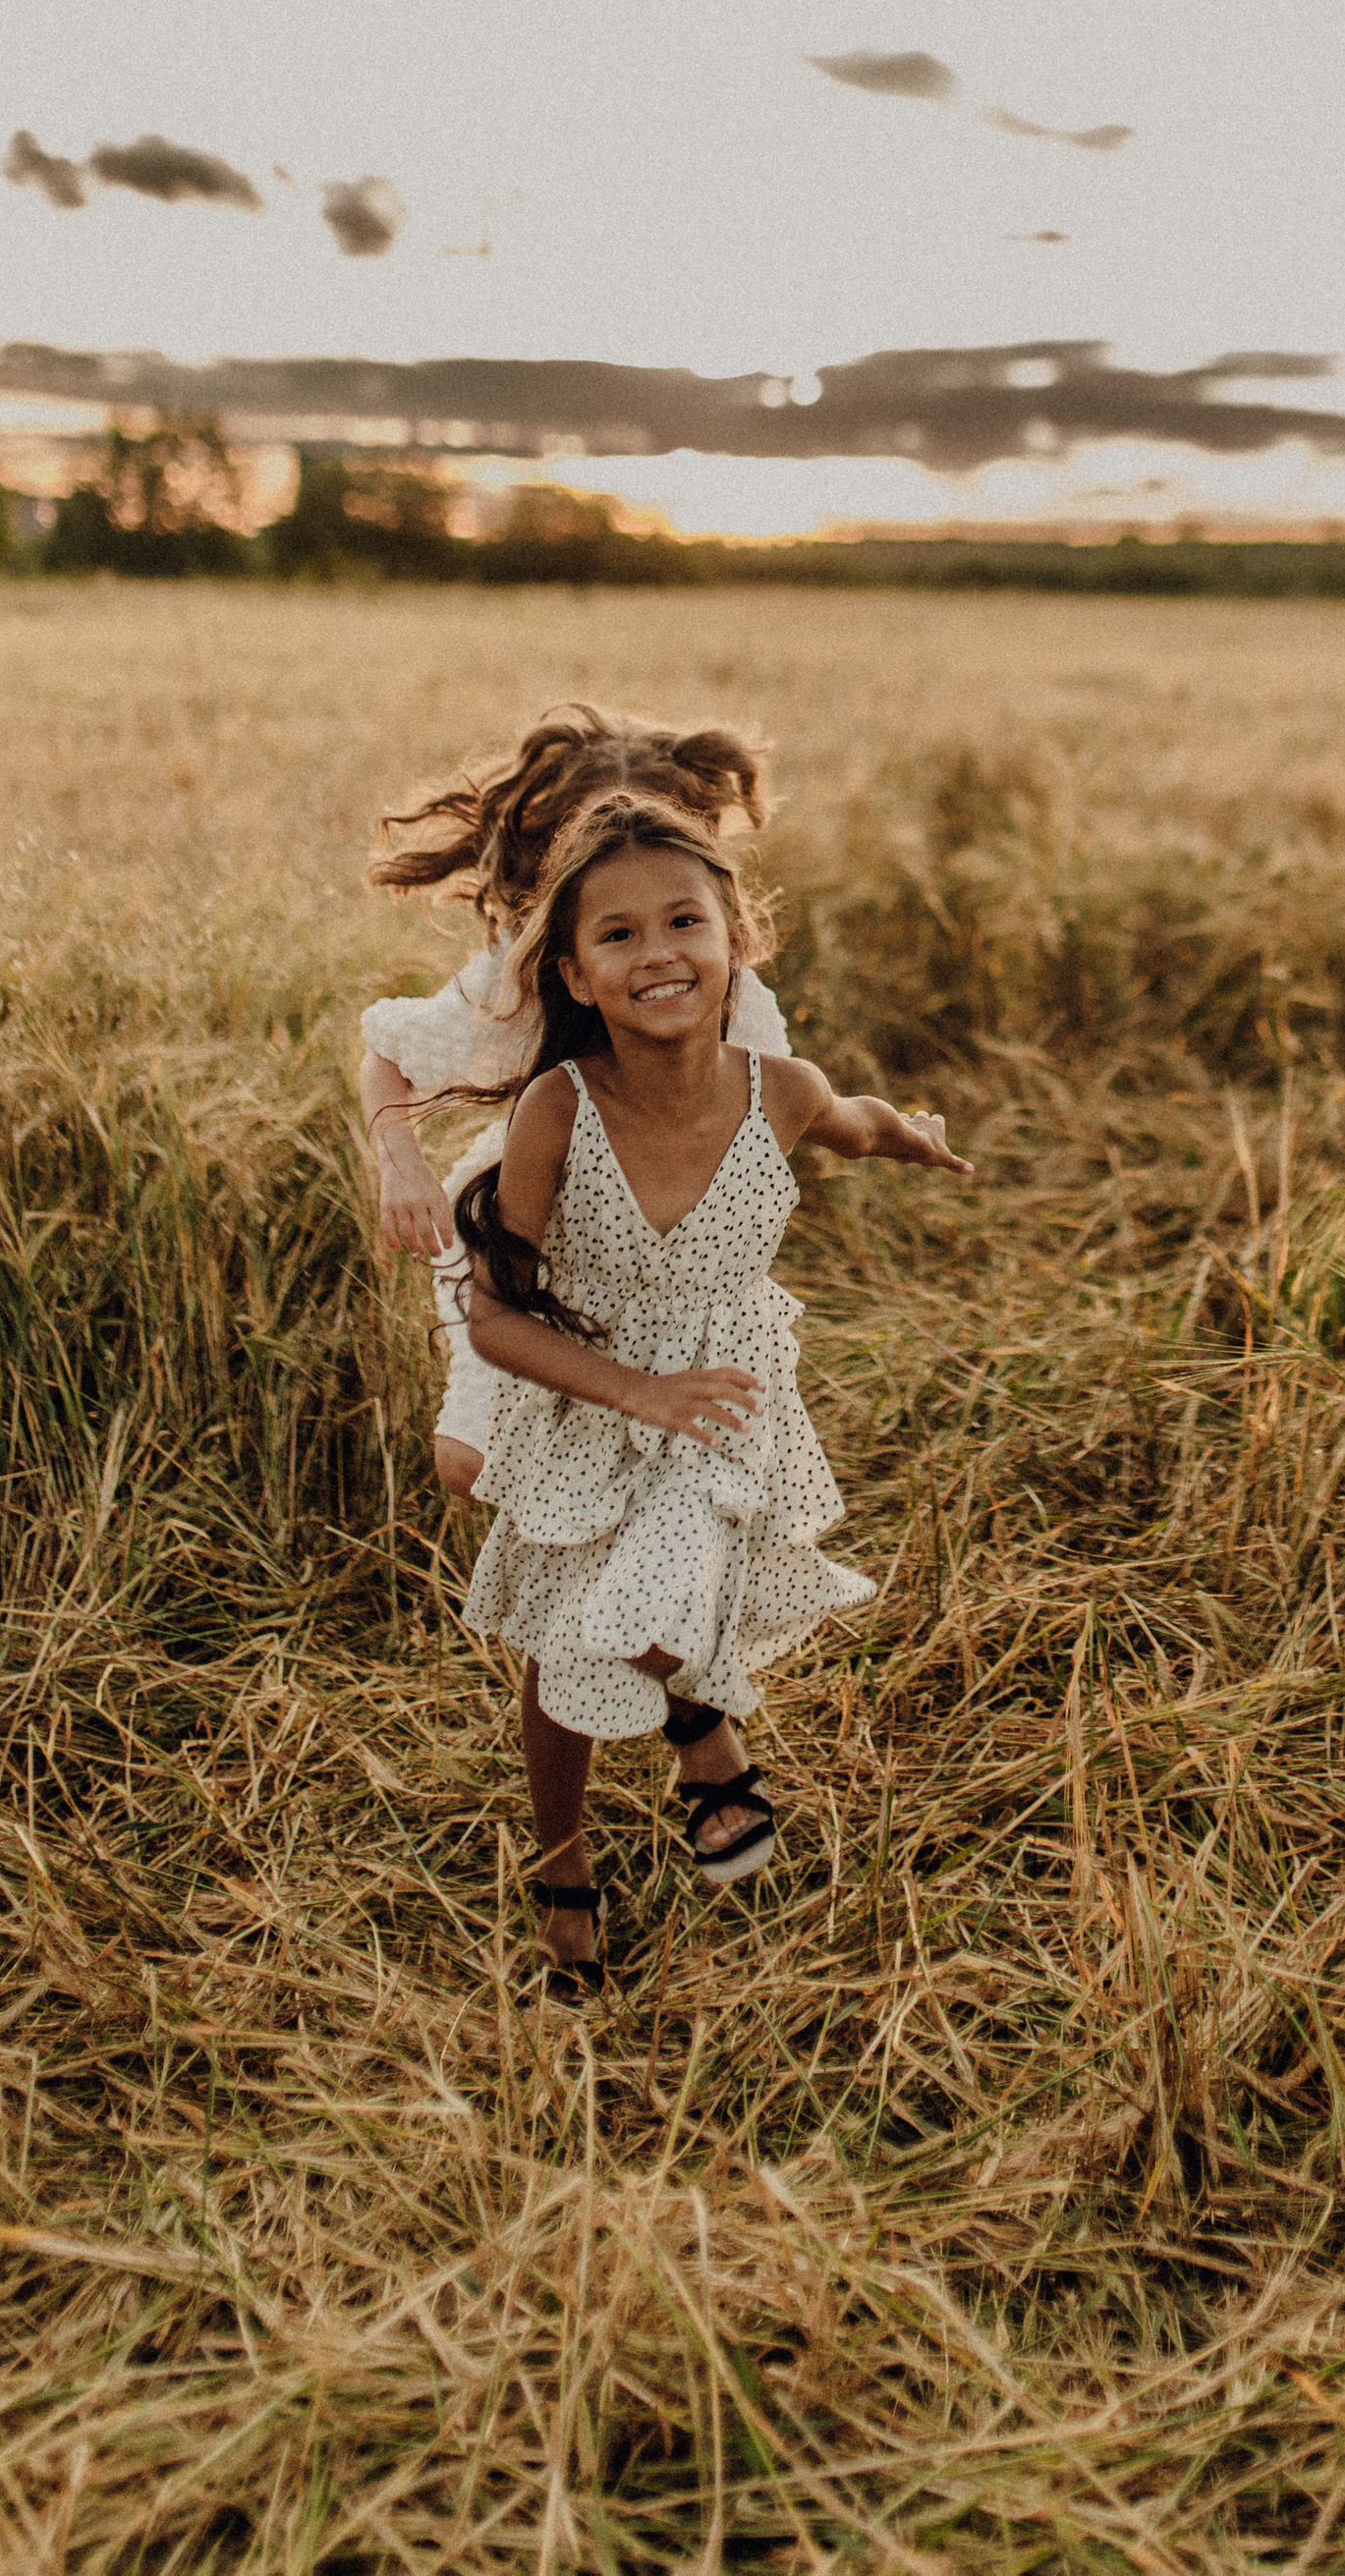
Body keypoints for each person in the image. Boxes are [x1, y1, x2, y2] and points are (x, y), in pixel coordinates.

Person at [452, 784, 970, 1988]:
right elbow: (491, 1316)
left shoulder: (776, 1089)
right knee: (560, 1645)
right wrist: (635, 1391)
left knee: (652, 1592)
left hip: (729, 1398)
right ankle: (567, 1863)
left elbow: (852, 1121)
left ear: (735, 940)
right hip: (589, 1395)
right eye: (617, 935)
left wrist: (914, 1134)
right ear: (576, 977)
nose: (658, 954)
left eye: (684, 922)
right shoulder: (553, 1113)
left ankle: (697, 1731)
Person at [356, 704, 791, 1499]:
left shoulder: (730, 992)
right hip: (523, 1223)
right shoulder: (519, 979)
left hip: (666, 1254)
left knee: (667, 1462)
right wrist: (403, 1168)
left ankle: (636, 1597)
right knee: (473, 1463)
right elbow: (386, 1056)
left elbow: (770, 1114)